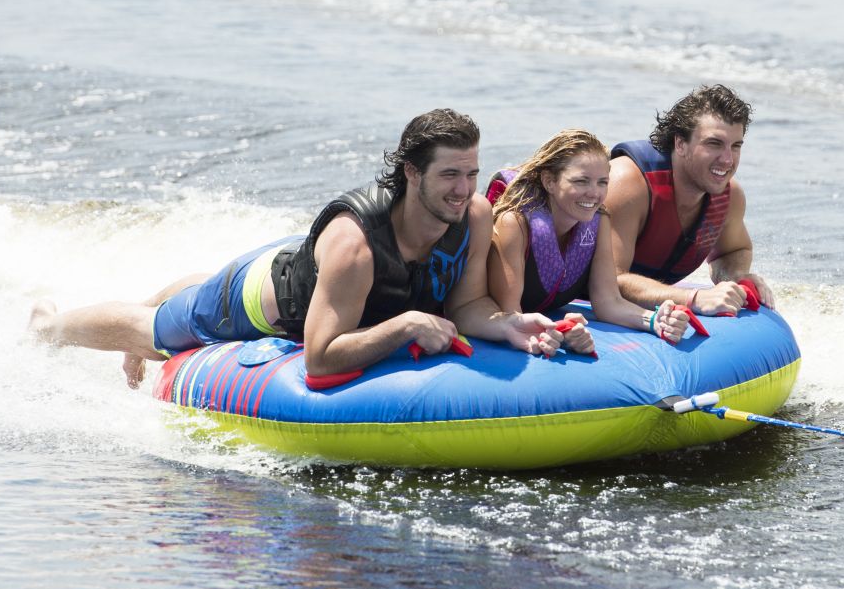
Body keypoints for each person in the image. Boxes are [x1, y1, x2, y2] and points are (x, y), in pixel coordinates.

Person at [29, 109, 565, 387]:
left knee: (200, 289)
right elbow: (320, 360)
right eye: (449, 174)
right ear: (410, 172)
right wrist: (403, 326)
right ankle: (48, 326)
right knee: (155, 333)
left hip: (314, 268)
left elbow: (468, 305)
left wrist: (507, 323)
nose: (464, 188)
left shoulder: (472, 216)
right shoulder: (356, 247)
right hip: (268, 303)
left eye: (471, 172)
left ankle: (185, 289)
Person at [486, 129, 692, 346]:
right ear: (549, 181)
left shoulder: (598, 221)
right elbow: (510, 315)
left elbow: (608, 302)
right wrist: (558, 334)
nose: (594, 193)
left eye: (602, 182)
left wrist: (653, 320)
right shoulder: (515, 222)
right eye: (582, 181)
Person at [604, 84, 775, 316]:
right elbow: (610, 279)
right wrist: (693, 299)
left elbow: (733, 251)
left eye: (735, 147)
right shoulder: (628, 183)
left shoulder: (729, 196)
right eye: (714, 144)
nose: (727, 160)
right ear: (680, 144)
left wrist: (735, 277)